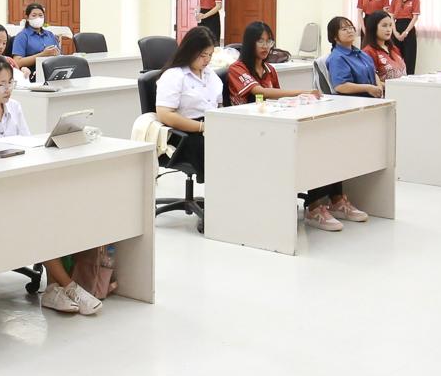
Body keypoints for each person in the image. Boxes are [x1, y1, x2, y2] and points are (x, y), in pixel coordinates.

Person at [0, 54, 105, 313]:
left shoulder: (15, 108)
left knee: (56, 210)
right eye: (1, 84)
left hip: (17, 186)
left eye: (11, 83)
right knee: (38, 219)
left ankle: (55, 289)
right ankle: (69, 287)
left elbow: (27, 145)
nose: (8, 89)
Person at [229, 21, 364, 231]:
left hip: (273, 125)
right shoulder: (237, 68)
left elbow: (278, 99)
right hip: (249, 130)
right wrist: (301, 92)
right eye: (260, 41)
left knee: (326, 141)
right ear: (249, 43)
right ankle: (314, 207)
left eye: (269, 41)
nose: (265, 46)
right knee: (312, 148)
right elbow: (260, 92)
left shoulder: (269, 69)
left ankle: (336, 199)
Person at [154, 26, 222, 183]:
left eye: (210, 55)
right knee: (217, 149)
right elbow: (164, 114)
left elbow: (219, 105)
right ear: (190, 51)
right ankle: (218, 192)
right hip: (184, 133)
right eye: (203, 55)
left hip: (210, 126)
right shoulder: (174, 75)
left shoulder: (210, 74)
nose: (207, 60)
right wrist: (201, 127)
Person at [323, 16, 387, 97]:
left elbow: (373, 72)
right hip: (354, 100)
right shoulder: (337, 58)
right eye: (344, 29)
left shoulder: (361, 53)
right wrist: (368, 88)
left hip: (373, 98)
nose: (349, 31)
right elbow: (340, 86)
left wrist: (379, 86)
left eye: (351, 27)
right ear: (334, 36)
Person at [7, 3, 60, 68]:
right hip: (32, 71)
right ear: (27, 18)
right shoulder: (22, 36)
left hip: (52, 69)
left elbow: (59, 55)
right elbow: (17, 62)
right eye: (34, 15)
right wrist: (43, 54)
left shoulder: (50, 35)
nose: (38, 18)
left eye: (40, 15)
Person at [389, 0, 421, 74]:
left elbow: (415, 18)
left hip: (409, 29)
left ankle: (409, 79)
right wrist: (395, 32)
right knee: (396, 57)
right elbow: (391, 17)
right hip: (396, 27)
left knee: (409, 58)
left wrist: (406, 32)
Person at [362, 10, 407, 80]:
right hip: (386, 87)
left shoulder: (394, 49)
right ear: (373, 27)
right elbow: (370, 80)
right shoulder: (368, 52)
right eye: (384, 26)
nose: (388, 29)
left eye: (390, 25)